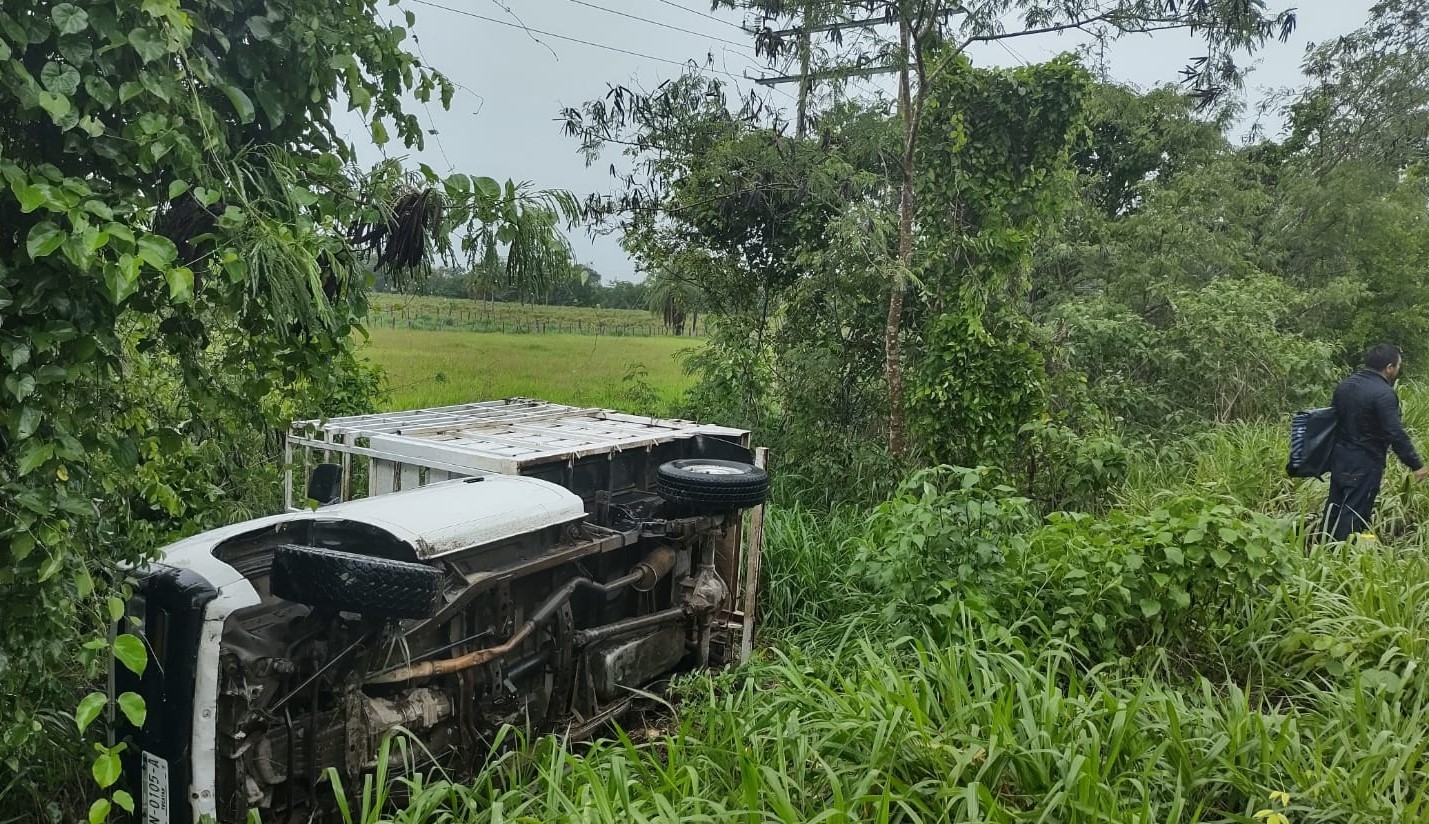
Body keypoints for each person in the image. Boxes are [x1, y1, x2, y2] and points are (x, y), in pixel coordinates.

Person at [1323, 343, 1429, 542]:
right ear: (1389, 367)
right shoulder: (1383, 394)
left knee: (1334, 506)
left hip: (1340, 457)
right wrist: (1416, 464)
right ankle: (1339, 559)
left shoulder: (1345, 385)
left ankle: (1319, 549)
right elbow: (1395, 433)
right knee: (1354, 513)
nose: (1398, 370)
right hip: (1365, 462)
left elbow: (1332, 420)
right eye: (1398, 366)